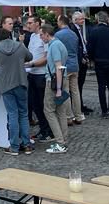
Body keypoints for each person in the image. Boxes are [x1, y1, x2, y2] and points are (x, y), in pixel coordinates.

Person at [0, 28, 32, 156]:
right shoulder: (19, 46)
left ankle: (14, 146)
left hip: (6, 85)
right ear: (9, 36)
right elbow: (30, 57)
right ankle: (27, 144)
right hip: (21, 82)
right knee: (23, 114)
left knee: (12, 114)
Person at [23, 15, 53, 140]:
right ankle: (43, 128)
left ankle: (49, 131)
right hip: (31, 74)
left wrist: (32, 64)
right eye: (27, 23)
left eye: (30, 23)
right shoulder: (32, 37)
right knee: (35, 105)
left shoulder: (43, 36)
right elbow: (30, 55)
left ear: (37, 23)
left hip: (41, 74)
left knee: (43, 104)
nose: (28, 25)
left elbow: (46, 57)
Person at [40, 24, 69, 154]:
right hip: (60, 79)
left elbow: (58, 67)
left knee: (49, 111)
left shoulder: (54, 46)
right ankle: (63, 141)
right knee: (60, 111)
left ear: (47, 34)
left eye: (42, 35)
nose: (41, 38)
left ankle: (60, 142)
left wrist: (58, 89)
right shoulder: (59, 44)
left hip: (54, 81)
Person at [86, 11, 109, 118]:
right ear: (107, 20)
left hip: (99, 62)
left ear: (98, 19)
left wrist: (92, 59)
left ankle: (104, 110)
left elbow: (89, 49)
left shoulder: (93, 32)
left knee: (101, 86)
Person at [55, 15, 84, 124]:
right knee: (75, 91)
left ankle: (69, 117)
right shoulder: (74, 34)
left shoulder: (58, 35)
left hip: (64, 65)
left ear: (61, 22)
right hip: (74, 64)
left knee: (66, 91)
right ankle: (78, 115)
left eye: (57, 21)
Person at [70, 11, 92, 114]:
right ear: (75, 20)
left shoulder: (79, 29)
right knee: (77, 85)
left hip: (83, 58)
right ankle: (78, 107)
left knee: (80, 84)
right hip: (79, 60)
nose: (83, 20)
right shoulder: (73, 29)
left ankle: (80, 105)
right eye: (81, 19)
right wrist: (81, 57)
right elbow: (76, 46)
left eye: (83, 18)